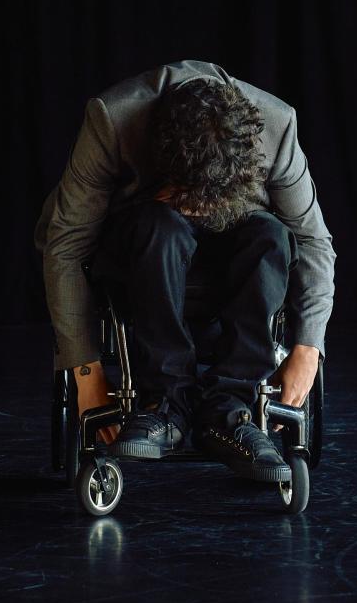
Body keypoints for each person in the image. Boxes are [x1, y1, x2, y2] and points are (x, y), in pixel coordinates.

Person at [34, 60, 335, 482]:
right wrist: (86, 371)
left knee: (270, 235)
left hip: (235, 247)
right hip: (145, 247)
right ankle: (165, 406)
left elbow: (313, 241)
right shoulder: (113, 119)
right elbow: (65, 244)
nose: (199, 210)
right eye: (189, 196)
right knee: (163, 226)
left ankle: (230, 411)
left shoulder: (275, 126)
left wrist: (307, 349)